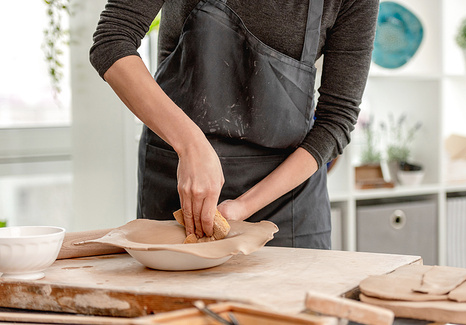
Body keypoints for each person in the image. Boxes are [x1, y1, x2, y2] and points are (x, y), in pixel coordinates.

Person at [90, 0, 379, 249]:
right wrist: (190, 146)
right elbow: (112, 40)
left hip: (286, 202)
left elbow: (337, 117)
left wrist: (243, 207)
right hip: (180, 184)